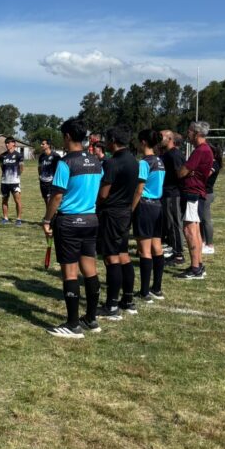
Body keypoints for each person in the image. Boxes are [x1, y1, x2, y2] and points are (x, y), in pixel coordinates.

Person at [43, 118, 103, 339]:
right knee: (90, 268)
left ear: (67, 136)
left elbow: (57, 195)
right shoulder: (96, 160)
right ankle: (91, 318)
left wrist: (47, 219)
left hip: (69, 221)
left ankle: (72, 324)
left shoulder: (65, 163)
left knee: (70, 272)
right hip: (90, 219)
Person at [96, 127, 139, 320]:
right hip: (125, 212)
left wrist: (95, 203)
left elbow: (104, 194)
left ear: (113, 140)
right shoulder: (133, 160)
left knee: (111, 258)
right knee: (123, 256)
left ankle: (111, 306)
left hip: (111, 213)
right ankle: (127, 300)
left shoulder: (112, 163)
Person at [176, 121, 213, 279]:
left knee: (189, 230)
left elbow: (182, 172)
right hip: (197, 193)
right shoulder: (206, 149)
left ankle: (195, 268)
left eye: (190, 132)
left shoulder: (200, 150)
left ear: (197, 133)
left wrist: (185, 171)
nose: (187, 134)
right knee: (195, 230)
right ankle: (198, 264)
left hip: (193, 193)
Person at [132, 130, 166, 302]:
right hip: (158, 206)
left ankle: (145, 292)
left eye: (139, 141)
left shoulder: (144, 163)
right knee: (157, 247)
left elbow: (139, 189)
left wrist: (132, 208)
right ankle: (157, 288)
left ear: (144, 142)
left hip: (145, 205)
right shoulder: (160, 161)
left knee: (144, 250)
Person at [160, 130, 185, 265]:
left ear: (170, 138)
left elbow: (179, 174)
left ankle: (179, 254)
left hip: (173, 194)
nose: (159, 138)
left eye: (161, 136)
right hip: (167, 193)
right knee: (170, 224)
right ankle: (174, 250)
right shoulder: (167, 154)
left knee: (175, 224)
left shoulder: (174, 154)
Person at [200, 143, 222, 255]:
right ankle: (203, 242)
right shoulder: (209, 162)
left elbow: (206, 174)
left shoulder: (214, 163)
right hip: (202, 193)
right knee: (201, 220)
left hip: (207, 194)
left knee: (206, 220)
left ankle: (210, 245)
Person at [0, 137, 24, 225]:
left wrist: (16, 177)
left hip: (15, 182)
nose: (6, 144)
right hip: (4, 182)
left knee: (17, 200)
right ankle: (5, 218)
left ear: (14, 144)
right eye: (6, 143)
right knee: (4, 200)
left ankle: (18, 219)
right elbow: (2, 167)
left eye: (8, 143)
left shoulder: (19, 155)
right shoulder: (2, 156)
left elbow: (21, 168)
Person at [38, 138, 60, 213]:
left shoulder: (55, 156)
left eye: (43, 144)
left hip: (51, 182)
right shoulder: (41, 156)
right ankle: (49, 216)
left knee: (50, 200)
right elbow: (39, 167)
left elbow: (59, 169)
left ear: (48, 145)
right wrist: (40, 176)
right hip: (43, 181)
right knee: (45, 200)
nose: (41, 145)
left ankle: (51, 217)